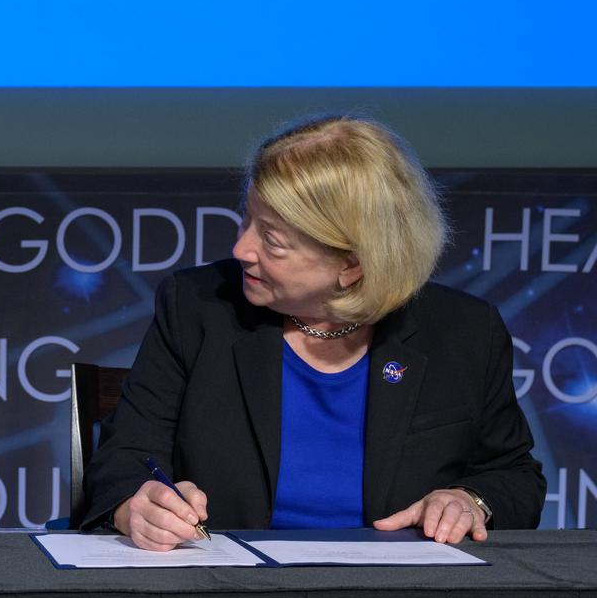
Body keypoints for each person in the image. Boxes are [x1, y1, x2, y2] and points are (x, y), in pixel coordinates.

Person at [81, 115, 544, 551]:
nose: (241, 248)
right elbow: (128, 455)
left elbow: (513, 474)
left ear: (352, 265)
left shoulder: (463, 332)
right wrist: (134, 506)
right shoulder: (197, 307)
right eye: (247, 220)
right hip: (226, 596)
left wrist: (470, 500)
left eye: (273, 239)